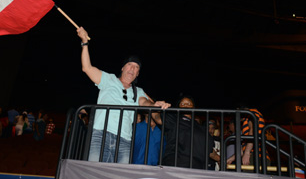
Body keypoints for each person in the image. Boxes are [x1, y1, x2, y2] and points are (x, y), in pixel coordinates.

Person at [77, 26, 170, 163]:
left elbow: (145, 103)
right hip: (100, 135)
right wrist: (84, 42)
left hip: (124, 140)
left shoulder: (138, 91)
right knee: (94, 174)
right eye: (130, 65)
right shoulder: (108, 79)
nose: (132, 68)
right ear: (123, 68)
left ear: (138, 73)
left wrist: (155, 104)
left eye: (136, 67)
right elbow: (87, 68)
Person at [152, 94, 214, 169]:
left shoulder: (200, 127)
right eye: (182, 104)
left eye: (189, 104)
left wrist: (221, 159)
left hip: (197, 168)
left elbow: (210, 151)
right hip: (176, 164)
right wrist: (154, 105)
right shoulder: (175, 119)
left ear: (193, 107)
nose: (186, 105)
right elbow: (157, 117)